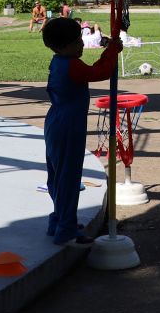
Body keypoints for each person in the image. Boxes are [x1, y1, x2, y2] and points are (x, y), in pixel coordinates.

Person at [40, 17, 121, 246]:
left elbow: (94, 70)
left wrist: (109, 51)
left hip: (55, 121)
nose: (82, 44)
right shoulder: (72, 65)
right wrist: (112, 51)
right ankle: (65, 228)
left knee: (57, 176)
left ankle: (58, 219)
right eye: (77, 41)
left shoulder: (59, 61)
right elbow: (100, 72)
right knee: (68, 178)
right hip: (68, 125)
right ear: (64, 46)